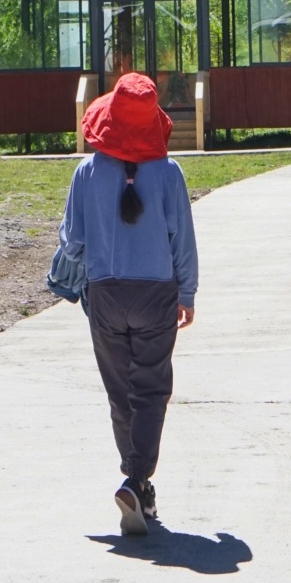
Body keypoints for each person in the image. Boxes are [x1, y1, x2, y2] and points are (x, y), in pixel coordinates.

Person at [57, 71, 198, 536]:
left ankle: (135, 481)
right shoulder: (170, 173)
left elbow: (73, 241)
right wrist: (187, 293)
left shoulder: (87, 172)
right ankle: (137, 479)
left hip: (105, 294)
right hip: (156, 294)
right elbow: (182, 241)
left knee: (120, 393)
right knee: (151, 389)